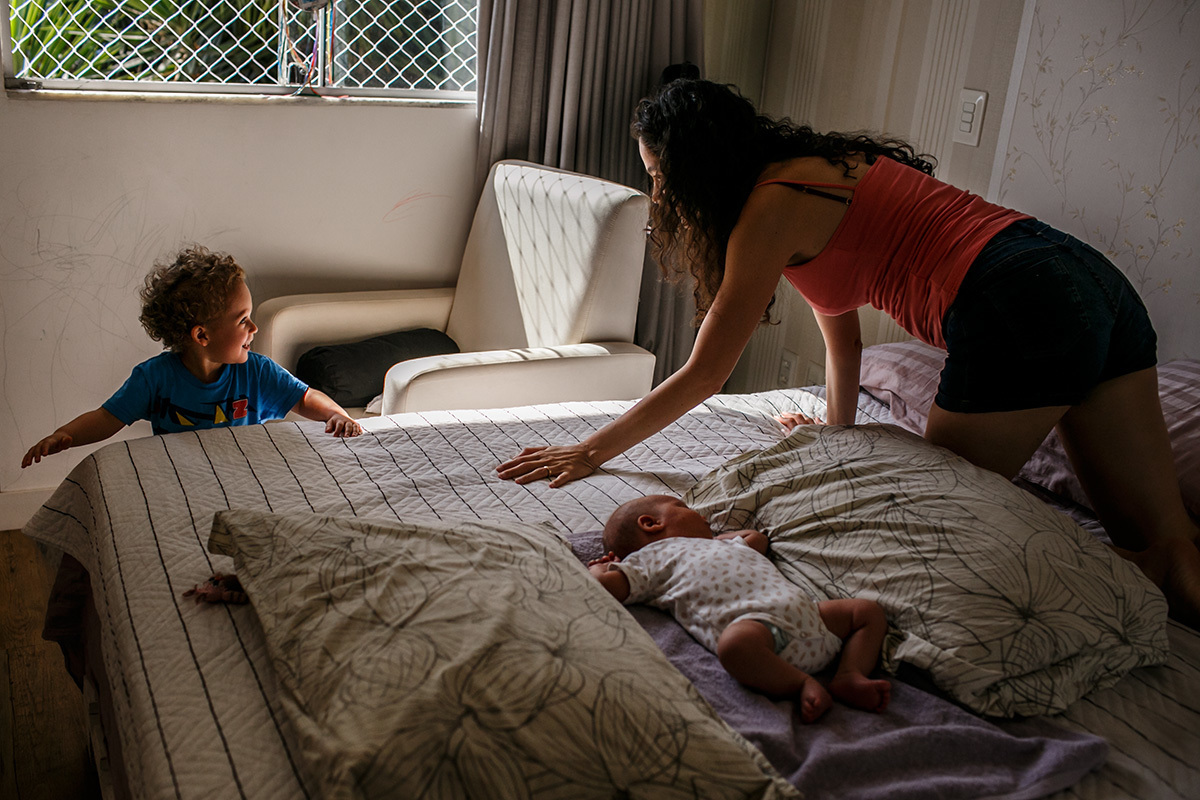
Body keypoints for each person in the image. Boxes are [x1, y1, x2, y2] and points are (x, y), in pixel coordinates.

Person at [497, 78, 1200, 629]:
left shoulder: (768, 211)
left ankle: (1068, 584)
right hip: (1087, 277)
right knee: (1167, 550)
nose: (659, 192)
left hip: (1019, 296)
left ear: (695, 169)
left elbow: (707, 372)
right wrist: (836, 433)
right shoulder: (824, 172)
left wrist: (589, 451)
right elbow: (843, 332)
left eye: (659, 174)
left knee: (935, 505)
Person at [21, 245, 361, 468]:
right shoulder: (154, 378)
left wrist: (336, 415)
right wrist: (64, 435)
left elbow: (305, 398)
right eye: (243, 320)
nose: (254, 328)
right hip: (180, 476)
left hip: (247, 471)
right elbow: (106, 418)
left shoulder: (257, 373)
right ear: (202, 335)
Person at [589, 494, 890, 722]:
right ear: (651, 523)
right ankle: (801, 683)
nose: (703, 516)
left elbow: (756, 539)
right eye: (684, 507)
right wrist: (603, 569)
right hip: (764, 632)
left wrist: (717, 540)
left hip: (811, 615)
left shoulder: (723, 545)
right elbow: (604, 587)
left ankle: (849, 674)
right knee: (734, 645)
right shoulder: (650, 560)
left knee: (867, 611)